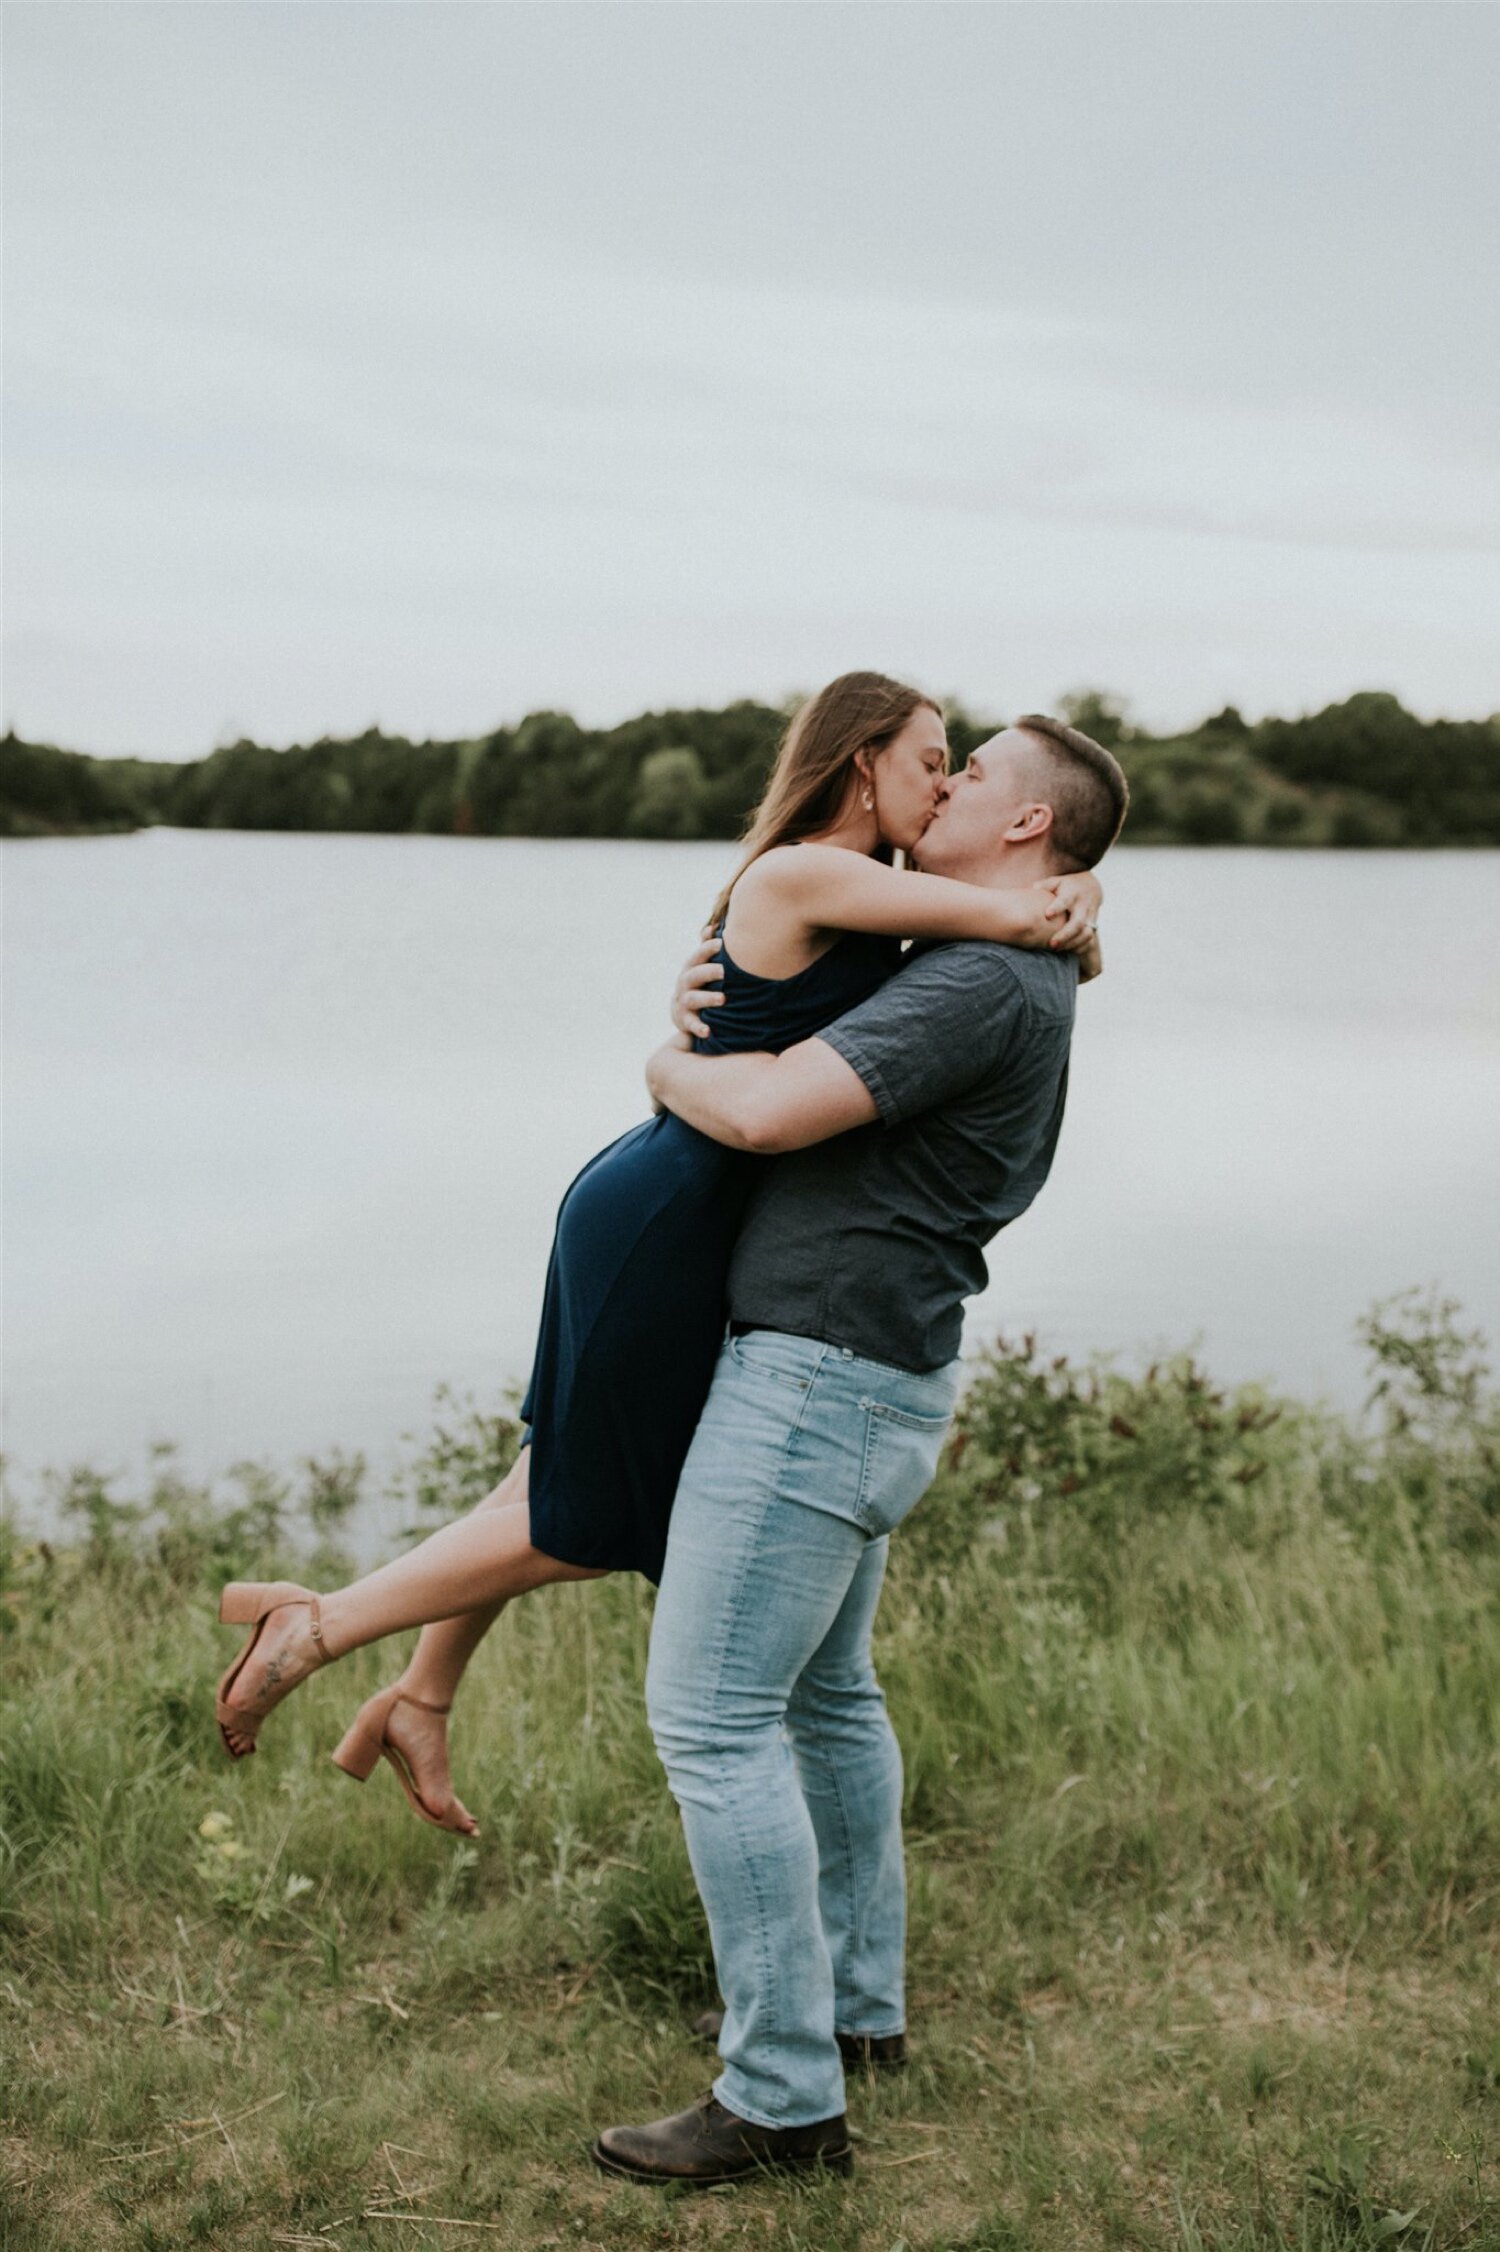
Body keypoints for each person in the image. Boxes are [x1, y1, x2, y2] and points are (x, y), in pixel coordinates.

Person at [213, 675, 1103, 1832]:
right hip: (669, 1209)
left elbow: (978, 952)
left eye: (962, 769)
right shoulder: (804, 870)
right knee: (592, 1516)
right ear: (861, 761)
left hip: (669, 1197)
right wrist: (1068, 901)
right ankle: (318, 1626)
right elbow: (1017, 925)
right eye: (934, 760)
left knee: (550, 1471)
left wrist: (1070, 897)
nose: (943, 785)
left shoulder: (870, 893)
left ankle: (421, 1695)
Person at [589, 712, 1127, 2186]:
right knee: (826, 1700)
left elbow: (758, 1112)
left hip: (817, 1383)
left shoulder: (983, 977)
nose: (944, 786)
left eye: (973, 774)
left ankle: (778, 2095)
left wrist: (659, 1060)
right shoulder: (998, 949)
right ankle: (853, 2012)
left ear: (1028, 827)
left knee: (710, 1720)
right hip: (875, 1378)